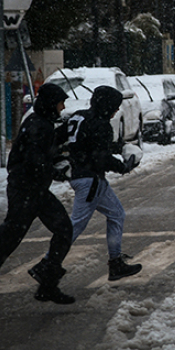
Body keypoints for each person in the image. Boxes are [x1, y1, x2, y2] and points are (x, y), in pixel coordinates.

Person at [0, 83, 75, 318]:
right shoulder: (37, 125)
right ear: (50, 103)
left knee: (62, 229)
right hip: (25, 192)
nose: (63, 107)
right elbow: (34, 159)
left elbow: (43, 154)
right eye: (60, 102)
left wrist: (57, 161)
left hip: (35, 191)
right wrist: (55, 171)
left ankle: (47, 281)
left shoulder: (41, 123)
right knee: (7, 242)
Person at [62, 85, 142, 281]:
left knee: (116, 214)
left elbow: (85, 143)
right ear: (106, 105)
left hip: (82, 175)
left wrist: (118, 147)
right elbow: (100, 157)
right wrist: (123, 166)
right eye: (114, 107)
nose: (116, 111)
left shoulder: (79, 116)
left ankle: (116, 263)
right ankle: (48, 262)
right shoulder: (101, 125)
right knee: (76, 225)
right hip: (90, 180)